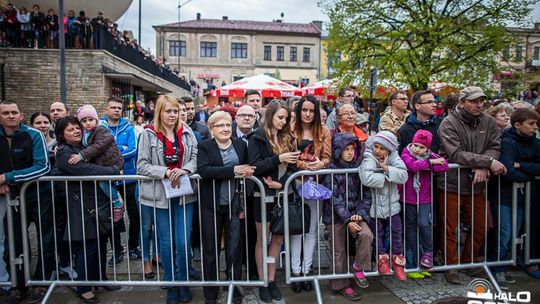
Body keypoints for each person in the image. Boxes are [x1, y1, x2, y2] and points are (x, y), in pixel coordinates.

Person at [437, 86, 506, 285]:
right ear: (462, 102)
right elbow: (455, 154)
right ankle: (451, 266)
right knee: (449, 228)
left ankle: (468, 261)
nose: (479, 104)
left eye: (481, 100)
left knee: (481, 226)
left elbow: (494, 146)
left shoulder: (489, 121)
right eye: (474, 101)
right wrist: (487, 162)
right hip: (451, 182)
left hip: (477, 183)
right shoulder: (449, 123)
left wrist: (484, 166)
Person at [52, 116, 120, 304]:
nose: (75, 131)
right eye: (70, 129)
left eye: (77, 127)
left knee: (100, 243)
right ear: (61, 134)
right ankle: (84, 287)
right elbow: (87, 169)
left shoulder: (81, 147)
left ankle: (100, 279)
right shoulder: (64, 153)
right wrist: (114, 170)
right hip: (80, 205)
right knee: (87, 247)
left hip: (95, 202)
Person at [137, 95, 197, 304]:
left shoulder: (188, 133)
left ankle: (183, 282)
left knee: (182, 241)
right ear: (159, 112)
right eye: (168, 111)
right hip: (159, 195)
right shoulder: (148, 134)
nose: (173, 115)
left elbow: (195, 158)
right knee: (166, 241)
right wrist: (165, 172)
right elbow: (142, 165)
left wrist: (185, 169)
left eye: (176, 111)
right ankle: (171, 283)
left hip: (184, 195)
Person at [197, 111, 255, 304]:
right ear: (212, 129)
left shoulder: (240, 144)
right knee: (211, 250)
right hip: (211, 205)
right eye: (220, 126)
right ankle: (210, 294)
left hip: (234, 203)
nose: (225, 129)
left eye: (228, 125)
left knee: (235, 248)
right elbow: (204, 171)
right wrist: (232, 170)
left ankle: (234, 289)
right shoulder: (205, 146)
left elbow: (247, 169)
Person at [0, 101, 51, 304]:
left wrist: (8, 177)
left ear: (21, 116)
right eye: (6, 113)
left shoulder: (33, 135)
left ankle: (41, 283)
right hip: (11, 198)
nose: (10, 116)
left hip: (38, 195)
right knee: (13, 242)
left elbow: (42, 167)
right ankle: (17, 286)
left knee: (45, 241)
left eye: (14, 112)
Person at [248, 100, 299, 303]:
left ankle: (271, 280)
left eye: (286, 118)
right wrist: (279, 158)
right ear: (270, 116)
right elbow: (255, 166)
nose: (283, 121)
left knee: (277, 239)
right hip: (262, 196)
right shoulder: (257, 137)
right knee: (263, 239)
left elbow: (294, 169)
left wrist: (283, 183)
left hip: (281, 195)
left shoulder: (288, 137)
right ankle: (263, 282)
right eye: (280, 117)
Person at [488, 108, 540, 289]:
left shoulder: (535, 142)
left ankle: (508, 265)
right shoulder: (507, 140)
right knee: (505, 233)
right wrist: (529, 175)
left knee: (515, 234)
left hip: (522, 196)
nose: (535, 127)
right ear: (518, 125)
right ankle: (498, 269)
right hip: (503, 195)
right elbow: (508, 170)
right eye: (531, 124)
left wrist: (522, 165)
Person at [323, 133, 372, 301]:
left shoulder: (358, 168)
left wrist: (359, 213)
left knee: (366, 235)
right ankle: (341, 285)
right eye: (346, 149)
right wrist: (348, 219)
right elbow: (333, 198)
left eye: (353, 149)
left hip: (355, 213)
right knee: (338, 252)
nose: (350, 153)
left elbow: (365, 194)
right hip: (335, 216)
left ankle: (358, 267)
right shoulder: (331, 168)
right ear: (338, 151)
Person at [290, 96, 331, 293]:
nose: (307, 114)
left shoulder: (323, 131)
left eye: (311, 111)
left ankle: (307, 271)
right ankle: (295, 272)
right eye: (304, 110)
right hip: (294, 185)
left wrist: (321, 164)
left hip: (316, 186)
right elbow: (286, 156)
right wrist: (304, 165)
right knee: (297, 229)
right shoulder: (290, 130)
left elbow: (327, 157)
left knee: (312, 230)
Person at [359, 131, 408, 281]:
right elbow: (366, 178)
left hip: (391, 203)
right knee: (377, 234)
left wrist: (387, 169)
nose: (377, 151)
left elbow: (404, 176)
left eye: (381, 148)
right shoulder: (368, 156)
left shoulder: (394, 157)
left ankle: (398, 263)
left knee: (396, 232)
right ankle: (382, 261)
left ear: (389, 150)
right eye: (376, 146)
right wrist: (387, 178)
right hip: (374, 204)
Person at [400, 130, 448, 279]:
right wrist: (429, 164)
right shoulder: (406, 152)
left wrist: (427, 163)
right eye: (415, 145)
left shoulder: (431, 156)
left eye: (421, 147)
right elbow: (411, 165)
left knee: (424, 224)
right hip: (407, 198)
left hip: (425, 198)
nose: (417, 149)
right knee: (410, 229)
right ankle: (413, 263)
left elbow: (444, 165)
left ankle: (427, 253)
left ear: (427, 148)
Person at [100, 97, 141, 264]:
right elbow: (98, 149)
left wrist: (111, 154)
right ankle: (116, 251)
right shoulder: (99, 127)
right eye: (113, 107)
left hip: (129, 178)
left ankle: (133, 247)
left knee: (135, 215)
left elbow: (133, 149)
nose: (116, 110)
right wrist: (117, 151)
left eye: (119, 108)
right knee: (113, 217)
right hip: (109, 179)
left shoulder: (128, 127)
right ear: (106, 109)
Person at [70, 105, 124, 222]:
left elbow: (98, 146)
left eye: (90, 120)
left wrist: (82, 155)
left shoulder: (101, 129)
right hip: (104, 164)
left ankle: (117, 203)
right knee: (107, 185)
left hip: (110, 162)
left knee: (103, 184)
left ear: (96, 119)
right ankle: (115, 202)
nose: (88, 123)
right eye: (84, 121)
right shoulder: (88, 133)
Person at [398, 90, 442, 154]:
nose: (434, 105)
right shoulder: (404, 130)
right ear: (417, 106)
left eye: (434, 102)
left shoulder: (441, 125)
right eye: (429, 102)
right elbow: (401, 157)